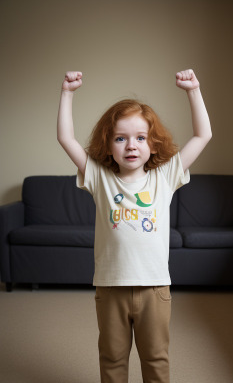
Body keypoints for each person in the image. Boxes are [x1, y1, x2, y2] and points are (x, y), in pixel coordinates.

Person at [57, 69, 212, 383]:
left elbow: (203, 136)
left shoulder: (165, 176)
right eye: (121, 138)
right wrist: (67, 93)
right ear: (109, 144)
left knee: (156, 360)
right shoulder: (99, 177)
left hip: (154, 288)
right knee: (112, 360)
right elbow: (65, 138)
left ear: (153, 145)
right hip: (110, 288)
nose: (131, 145)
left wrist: (193, 91)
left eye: (141, 137)